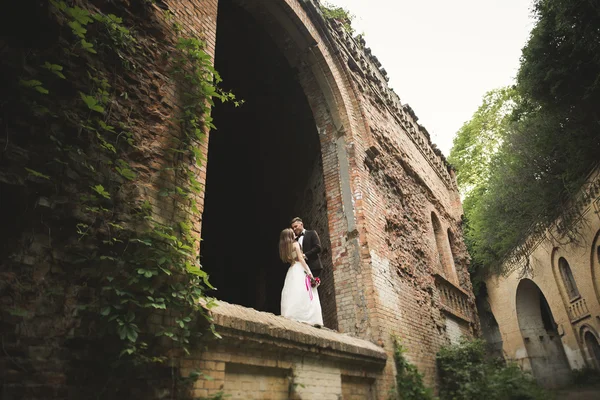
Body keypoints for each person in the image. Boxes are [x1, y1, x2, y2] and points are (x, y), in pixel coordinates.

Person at [279, 228, 323, 326]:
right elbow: (301, 259)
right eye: (292, 232)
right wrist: (309, 273)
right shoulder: (295, 244)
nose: (294, 233)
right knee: (306, 292)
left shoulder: (285, 247)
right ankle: (307, 317)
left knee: (293, 291)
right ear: (290, 235)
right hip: (299, 268)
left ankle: (292, 315)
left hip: (292, 270)